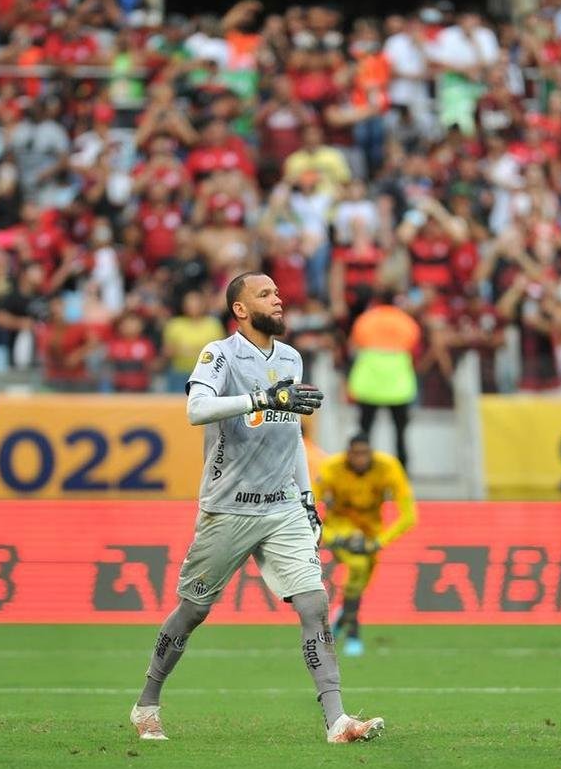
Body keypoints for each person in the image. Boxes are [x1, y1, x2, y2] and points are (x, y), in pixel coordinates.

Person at [130, 271, 384, 745]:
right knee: (192, 611)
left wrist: (307, 499)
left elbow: (292, 435)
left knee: (314, 604)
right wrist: (261, 398)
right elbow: (196, 409)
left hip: (283, 506)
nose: (278, 298)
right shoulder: (219, 354)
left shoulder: (291, 357)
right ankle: (147, 704)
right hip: (228, 507)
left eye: (277, 292)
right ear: (241, 309)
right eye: (265, 294)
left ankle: (337, 720)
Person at [315, 433, 417, 656]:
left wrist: (379, 542)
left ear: (371, 453)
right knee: (358, 566)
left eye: (364, 454)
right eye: (356, 454)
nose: (360, 459)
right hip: (341, 528)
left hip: (372, 533)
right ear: (348, 454)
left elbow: (409, 516)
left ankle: (341, 620)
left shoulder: (388, 467)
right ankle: (354, 635)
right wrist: (332, 537)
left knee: (360, 584)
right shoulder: (331, 468)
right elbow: (308, 506)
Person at [347, 292, 420, 469]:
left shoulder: (366, 319)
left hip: (369, 382)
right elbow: (413, 344)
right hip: (398, 383)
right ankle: (402, 470)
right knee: (400, 433)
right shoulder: (406, 321)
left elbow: (354, 344)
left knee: (365, 432)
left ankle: (363, 468)